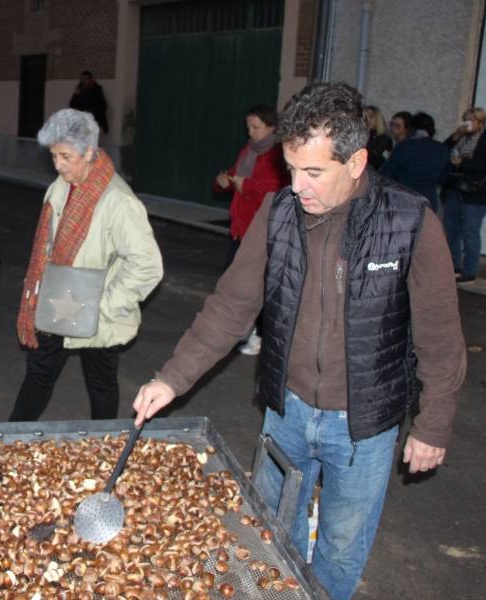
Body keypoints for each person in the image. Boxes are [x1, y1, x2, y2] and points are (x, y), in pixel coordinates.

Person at [133, 82, 465, 600]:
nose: (297, 185)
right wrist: (172, 378)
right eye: (291, 169)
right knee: (267, 531)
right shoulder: (279, 212)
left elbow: (440, 335)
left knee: (339, 549)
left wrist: (434, 424)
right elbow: (230, 308)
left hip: (364, 427)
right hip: (285, 412)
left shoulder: (409, 221)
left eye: (313, 172)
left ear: (355, 162)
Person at [10, 108, 163, 421]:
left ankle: (104, 450)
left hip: (98, 313)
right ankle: (9, 445)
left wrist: (104, 305)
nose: (58, 165)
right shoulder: (60, 187)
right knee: (38, 376)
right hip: (56, 301)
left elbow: (148, 266)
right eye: (54, 156)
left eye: (66, 156)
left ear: (89, 152)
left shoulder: (118, 202)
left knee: (101, 384)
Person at [213, 104, 287, 355]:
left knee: (260, 285)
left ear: (271, 127)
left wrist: (248, 185)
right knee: (233, 281)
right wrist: (224, 181)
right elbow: (234, 174)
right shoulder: (249, 150)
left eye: (256, 127)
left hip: (261, 228)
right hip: (240, 226)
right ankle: (241, 328)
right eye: (249, 127)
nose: (251, 131)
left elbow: (277, 187)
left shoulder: (277, 154)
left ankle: (262, 334)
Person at [442, 107, 486, 284]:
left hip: (476, 193)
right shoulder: (460, 138)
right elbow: (442, 152)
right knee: (452, 228)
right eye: (465, 120)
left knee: (470, 231)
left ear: (480, 123)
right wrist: (455, 137)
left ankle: (469, 271)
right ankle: (454, 266)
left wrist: (462, 164)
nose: (466, 124)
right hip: (454, 189)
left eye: (470, 121)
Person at [380, 111, 450, 212]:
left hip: (403, 201)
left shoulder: (405, 146)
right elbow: (443, 178)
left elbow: (385, 174)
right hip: (429, 201)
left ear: (411, 129)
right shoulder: (442, 149)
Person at [363, 105, 392, 169]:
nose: (367, 120)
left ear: (378, 118)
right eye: (365, 118)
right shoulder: (362, 136)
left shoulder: (385, 139)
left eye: (370, 116)